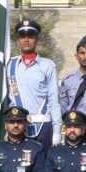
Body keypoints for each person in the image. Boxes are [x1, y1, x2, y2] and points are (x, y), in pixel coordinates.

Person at [6, 19, 61, 148]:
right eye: (22, 36)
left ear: (37, 40)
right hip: (17, 125)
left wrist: (57, 131)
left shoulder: (48, 66)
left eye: (30, 36)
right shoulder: (10, 66)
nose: (26, 40)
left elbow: (54, 101)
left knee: (43, 166)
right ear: (17, 40)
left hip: (43, 126)